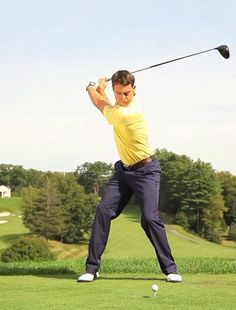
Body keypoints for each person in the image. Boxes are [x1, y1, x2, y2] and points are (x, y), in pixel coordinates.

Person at [78, 70, 182, 283]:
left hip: (146, 170)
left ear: (134, 90)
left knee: (150, 219)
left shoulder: (130, 113)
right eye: (118, 94)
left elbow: (99, 103)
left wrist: (90, 86)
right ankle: (92, 268)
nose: (123, 98)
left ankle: (170, 269)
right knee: (103, 211)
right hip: (123, 172)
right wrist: (102, 91)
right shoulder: (119, 108)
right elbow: (107, 103)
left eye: (126, 93)